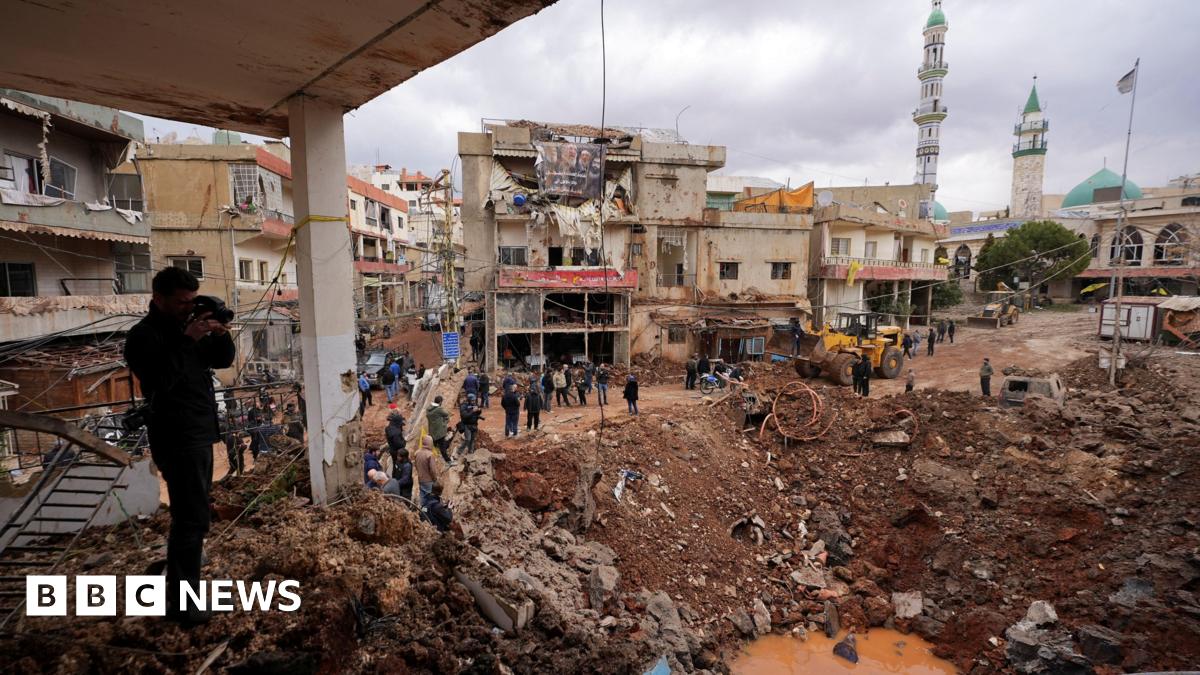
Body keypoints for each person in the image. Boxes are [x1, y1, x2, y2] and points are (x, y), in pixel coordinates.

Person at [124, 266, 235, 625]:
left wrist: (218, 332)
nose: (188, 307)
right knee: (191, 519)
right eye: (181, 302)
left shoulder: (187, 327)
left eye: (192, 301)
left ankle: (180, 588)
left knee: (193, 516)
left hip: (199, 433)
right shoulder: (144, 336)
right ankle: (181, 606)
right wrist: (187, 339)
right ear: (159, 299)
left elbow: (223, 361)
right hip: (176, 436)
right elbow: (159, 382)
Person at [427, 395, 451, 462]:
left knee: (433, 445)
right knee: (442, 447)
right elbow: (446, 414)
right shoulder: (439, 409)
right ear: (440, 402)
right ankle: (447, 460)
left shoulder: (428, 408)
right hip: (439, 432)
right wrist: (445, 421)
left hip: (432, 430)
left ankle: (432, 459)